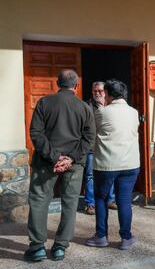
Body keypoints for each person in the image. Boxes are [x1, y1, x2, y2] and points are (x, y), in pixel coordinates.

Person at [25, 69, 95, 261]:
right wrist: (70, 158)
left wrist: (55, 157)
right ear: (76, 86)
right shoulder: (84, 107)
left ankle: (37, 247)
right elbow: (89, 138)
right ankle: (60, 247)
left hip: (46, 162)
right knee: (70, 203)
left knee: (39, 201)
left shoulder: (44, 103)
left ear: (58, 84)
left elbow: (36, 133)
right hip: (74, 164)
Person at [85, 79, 140, 250]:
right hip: (130, 164)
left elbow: (92, 133)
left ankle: (101, 236)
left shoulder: (101, 112)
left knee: (100, 199)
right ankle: (126, 238)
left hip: (106, 164)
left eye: (105, 93)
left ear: (108, 94)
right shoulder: (134, 112)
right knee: (124, 200)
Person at [83, 81, 117, 215]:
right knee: (90, 176)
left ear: (105, 92)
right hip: (93, 147)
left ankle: (110, 200)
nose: (97, 93)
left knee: (111, 174)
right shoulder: (87, 106)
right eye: (94, 91)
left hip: (110, 147)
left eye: (100, 91)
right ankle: (90, 204)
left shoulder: (112, 106)